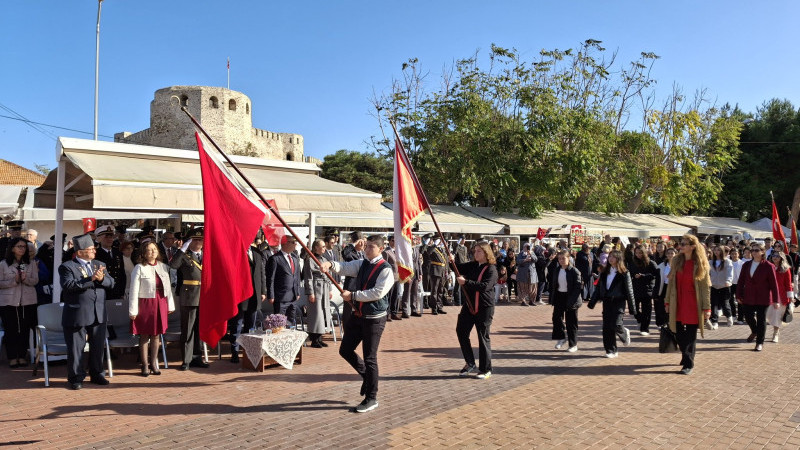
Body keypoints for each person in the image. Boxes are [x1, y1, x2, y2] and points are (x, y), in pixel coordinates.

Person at [320, 234, 393, 413]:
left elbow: (377, 293)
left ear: (380, 249)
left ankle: (372, 397)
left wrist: (352, 295)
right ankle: (366, 377)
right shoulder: (363, 263)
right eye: (366, 246)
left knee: (370, 357)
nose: (367, 249)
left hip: (374, 318)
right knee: (345, 349)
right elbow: (345, 267)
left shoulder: (386, 269)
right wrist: (331, 264)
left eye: (371, 247)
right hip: (359, 315)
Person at [59, 233, 115, 390]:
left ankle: (97, 374)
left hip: (98, 312)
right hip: (77, 313)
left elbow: (111, 283)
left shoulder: (99, 264)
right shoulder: (67, 267)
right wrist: (90, 279)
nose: (94, 251)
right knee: (76, 348)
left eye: (94, 248)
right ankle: (76, 377)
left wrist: (102, 279)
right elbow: (69, 286)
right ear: (80, 251)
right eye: (90, 249)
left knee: (98, 346)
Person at [665, 234, 711, 374]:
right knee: (677, 332)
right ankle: (686, 356)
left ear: (692, 246)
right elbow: (670, 284)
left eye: (684, 244)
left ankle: (688, 363)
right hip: (677, 301)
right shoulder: (677, 261)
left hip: (693, 303)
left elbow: (705, 287)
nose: (681, 246)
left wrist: (707, 307)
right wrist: (667, 301)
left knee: (690, 335)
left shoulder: (700, 263)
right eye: (681, 243)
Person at [451, 241, 498, 379]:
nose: (476, 253)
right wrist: (451, 260)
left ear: (486, 253)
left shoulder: (491, 269)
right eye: (475, 251)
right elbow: (457, 268)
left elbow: (485, 286)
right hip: (469, 305)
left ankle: (485, 369)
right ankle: (470, 362)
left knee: (482, 336)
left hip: (484, 307)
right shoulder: (472, 265)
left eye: (479, 251)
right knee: (461, 331)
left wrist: (466, 282)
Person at [128, 241, 175, 377]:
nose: (153, 252)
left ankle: (154, 363)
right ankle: (144, 365)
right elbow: (133, 290)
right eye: (149, 250)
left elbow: (168, 288)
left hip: (161, 301)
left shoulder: (163, 267)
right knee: (144, 334)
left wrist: (170, 304)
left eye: (154, 249)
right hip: (145, 303)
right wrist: (133, 310)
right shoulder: (139, 267)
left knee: (156, 334)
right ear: (144, 253)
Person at [169, 228, 209, 370]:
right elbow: (173, 265)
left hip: (203, 296)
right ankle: (186, 359)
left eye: (200, 240)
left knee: (199, 329)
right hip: (189, 295)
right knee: (188, 328)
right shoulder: (185, 256)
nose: (198, 242)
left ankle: (197, 357)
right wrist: (182, 249)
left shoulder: (207, 255)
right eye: (194, 239)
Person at [588, 250, 637, 358]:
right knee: (607, 327)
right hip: (607, 301)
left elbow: (629, 291)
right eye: (610, 256)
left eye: (614, 257)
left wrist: (633, 308)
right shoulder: (605, 272)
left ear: (618, 259)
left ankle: (624, 333)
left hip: (619, 301)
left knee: (616, 324)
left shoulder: (624, 273)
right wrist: (592, 302)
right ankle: (611, 350)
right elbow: (598, 289)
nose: (611, 259)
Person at [0, 237, 39, 367]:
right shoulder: (3, 264)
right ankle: (12, 357)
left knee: (24, 329)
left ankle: (22, 356)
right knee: (11, 329)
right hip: (9, 301)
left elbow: (35, 281)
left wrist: (25, 279)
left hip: (27, 301)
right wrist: (14, 280)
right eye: (19, 246)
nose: (22, 249)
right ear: (12, 249)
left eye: (24, 246)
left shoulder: (31, 263)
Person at [227, 236, 268, 362]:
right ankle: (234, 352)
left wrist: (263, 291)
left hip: (254, 294)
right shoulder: (234, 252)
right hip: (240, 294)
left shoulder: (257, 252)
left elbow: (261, 273)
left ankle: (248, 352)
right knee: (237, 325)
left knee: (251, 326)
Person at [736, 242, 780, 351]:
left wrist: (776, 300)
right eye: (752, 250)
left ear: (762, 252)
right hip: (748, 296)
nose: (754, 252)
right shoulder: (746, 265)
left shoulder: (769, 266)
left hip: (763, 297)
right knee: (748, 316)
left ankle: (759, 342)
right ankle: (755, 331)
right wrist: (738, 294)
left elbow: (774, 285)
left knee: (761, 320)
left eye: (756, 250)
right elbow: (741, 281)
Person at [549, 250, 584, 352]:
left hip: (571, 298)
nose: (561, 260)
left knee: (571, 322)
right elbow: (554, 284)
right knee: (556, 318)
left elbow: (578, 288)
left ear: (569, 258)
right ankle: (561, 338)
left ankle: (573, 344)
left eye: (563, 258)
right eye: (559, 258)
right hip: (559, 296)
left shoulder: (574, 271)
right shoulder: (557, 270)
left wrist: (571, 301)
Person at [267, 235, 302, 326]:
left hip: (293, 297)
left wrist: (297, 292)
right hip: (280, 297)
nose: (296, 244)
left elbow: (297, 276)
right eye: (293, 242)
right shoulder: (275, 259)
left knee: (290, 322)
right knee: (279, 323)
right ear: (285, 243)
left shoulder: (295, 258)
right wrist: (271, 295)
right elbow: (271, 278)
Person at [303, 239, 332, 348]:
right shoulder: (310, 260)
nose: (324, 248)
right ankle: (314, 339)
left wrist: (329, 289)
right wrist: (311, 293)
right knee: (316, 314)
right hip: (316, 288)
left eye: (325, 246)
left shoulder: (324, 259)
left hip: (324, 287)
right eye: (322, 246)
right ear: (316, 247)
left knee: (323, 312)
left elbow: (328, 275)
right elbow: (308, 278)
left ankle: (320, 337)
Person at [630, 243, 659, 336]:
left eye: (640, 253)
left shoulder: (650, 263)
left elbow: (656, 274)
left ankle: (645, 328)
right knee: (634, 309)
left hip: (647, 289)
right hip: (635, 288)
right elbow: (629, 273)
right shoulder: (632, 263)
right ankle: (640, 319)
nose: (638, 255)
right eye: (636, 253)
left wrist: (643, 276)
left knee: (646, 310)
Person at [766, 251, 793, 343]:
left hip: (780, 296)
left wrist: (790, 297)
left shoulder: (785, 269)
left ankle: (775, 333)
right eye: (774, 255)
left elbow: (788, 284)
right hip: (768, 295)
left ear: (781, 258)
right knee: (769, 314)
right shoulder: (768, 267)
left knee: (777, 315)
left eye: (777, 256)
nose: (775, 257)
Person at [708, 245, 734, 328]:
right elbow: (708, 273)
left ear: (722, 251)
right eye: (715, 250)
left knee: (725, 304)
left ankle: (729, 316)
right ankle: (715, 321)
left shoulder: (727, 261)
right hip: (714, 285)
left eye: (718, 250)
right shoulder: (711, 262)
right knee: (714, 304)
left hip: (724, 286)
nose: (716, 252)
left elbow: (730, 272)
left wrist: (728, 281)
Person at [653, 247, 677, 329]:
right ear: (666, 255)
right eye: (668, 253)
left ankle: (672, 322)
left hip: (674, 288)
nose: (670, 255)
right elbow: (658, 280)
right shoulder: (661, 266)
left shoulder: (679, 266)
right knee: (662, 306)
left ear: (675, 254)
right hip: (664, 287)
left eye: (672, 253)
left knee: (673, 305)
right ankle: (663, 323)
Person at [427, 238, 448, 314]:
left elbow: (445, 262)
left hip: (442, 272)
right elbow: (429, 252)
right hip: (435, 271)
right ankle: (434, 308)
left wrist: (446, 271)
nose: (441, 242)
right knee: (434, 290)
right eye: (439, 241)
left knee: (440, 290)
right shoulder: (431, 248)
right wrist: (435, 244)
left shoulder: (442, 250)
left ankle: (439, 307)